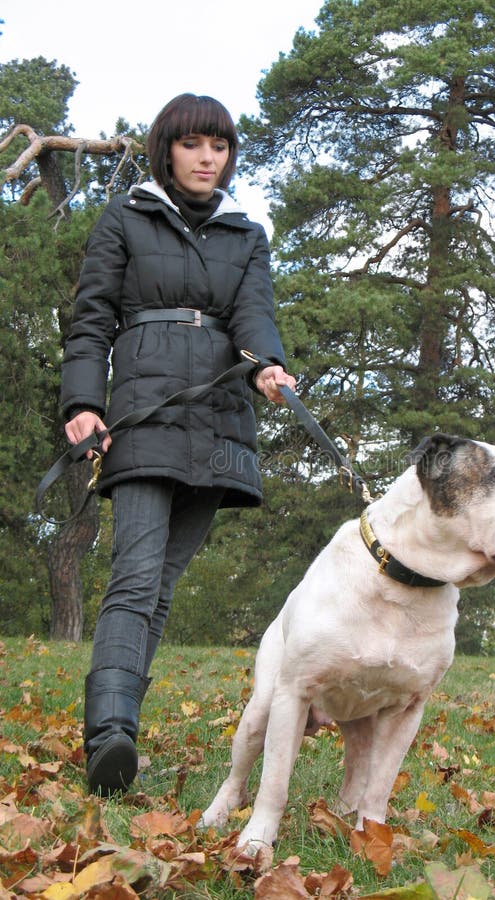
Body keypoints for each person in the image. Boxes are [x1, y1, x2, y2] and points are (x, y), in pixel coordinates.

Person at [60, 93, 296, 796]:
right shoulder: (125, 217)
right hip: (141, 411)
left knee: (159, 586)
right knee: (134, 575)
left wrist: (267, 364)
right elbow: (91, 317)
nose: (206, 158)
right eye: (194, 144)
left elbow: (254, 314)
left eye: (219, 147)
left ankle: (117, 730)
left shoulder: (245, 235)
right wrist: (82, 401)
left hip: (221, 417)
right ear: (167, 149)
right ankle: (109, 734)